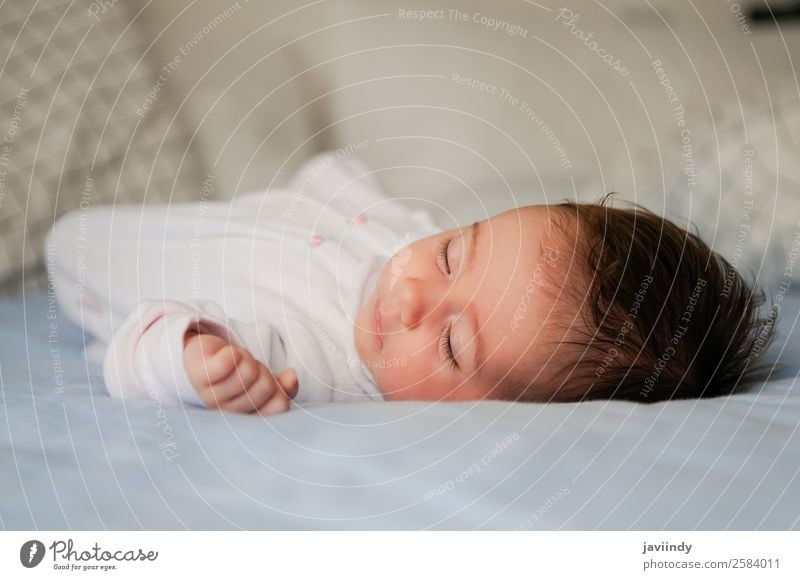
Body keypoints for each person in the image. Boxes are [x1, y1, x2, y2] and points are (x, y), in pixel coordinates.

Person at [47, 153, 775, 416]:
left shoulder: (305, 365)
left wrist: (186, 358)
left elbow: (135, 357)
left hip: (105, 260)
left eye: (454, 344)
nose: (413, 295)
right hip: (263, 216)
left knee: (68, 242)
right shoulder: (411, 246)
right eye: (458, 252)